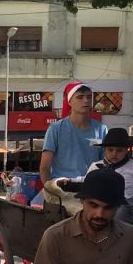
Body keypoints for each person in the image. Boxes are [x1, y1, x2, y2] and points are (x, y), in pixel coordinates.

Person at [41, 82, 107, 210]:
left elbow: (106, 164)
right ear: (70, 101)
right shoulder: (56, 129)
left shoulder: (102, 129)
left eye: (89, 97)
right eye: (80, 97)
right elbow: (44, 167)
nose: (86, 100)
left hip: (92, 189)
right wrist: (53, 192)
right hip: (62, 188)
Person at [85, 127, 133, 225]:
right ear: (104, 150)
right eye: (110, 150)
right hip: (108, 201)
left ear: (126, 150)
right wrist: (68, 180)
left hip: (132, 199)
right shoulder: (96, 166)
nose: (114, 154)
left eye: (119, 150)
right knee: (119, 214)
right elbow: (85, 180)